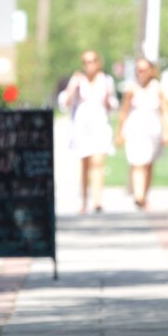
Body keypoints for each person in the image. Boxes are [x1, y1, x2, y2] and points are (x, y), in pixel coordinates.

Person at [59, 51, 118, 214]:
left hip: (100, 126)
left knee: (97, 163)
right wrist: (72, 87)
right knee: (85, 164)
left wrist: (107, 97)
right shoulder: (78, 80)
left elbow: (112, 105)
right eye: (86, 61)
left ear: (99, 62)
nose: (89, 64)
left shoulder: (106, 80)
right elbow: (65, 103)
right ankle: (84, 200)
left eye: (92, 61)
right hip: (82, 127)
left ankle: (97, 200)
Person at [117, 58, 168, 210]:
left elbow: (165, 110)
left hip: (152, 130)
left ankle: (144, 195)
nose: (140, 73)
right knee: (136, 163)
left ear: (151, 71)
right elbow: (124, 111)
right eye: (138, 70)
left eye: (143, 69)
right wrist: (120, 132)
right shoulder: (131, 88)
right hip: (135, 129)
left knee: (148, 164)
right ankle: (138, 196)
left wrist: (167, 131)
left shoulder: (157, 88)